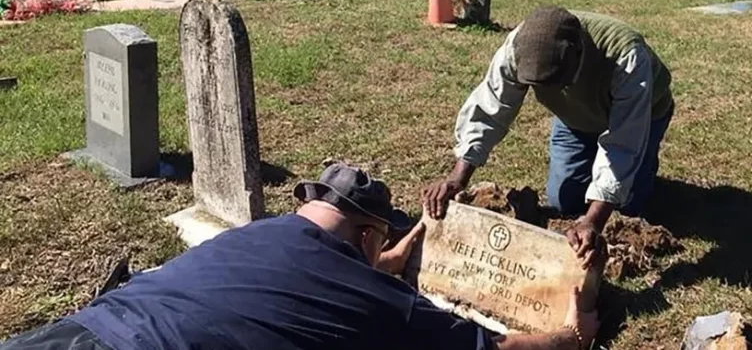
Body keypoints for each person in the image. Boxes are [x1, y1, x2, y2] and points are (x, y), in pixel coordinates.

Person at [2, 163, 598, 350]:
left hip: (76, 330)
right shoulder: (378, 302)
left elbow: (324, 273)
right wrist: (570, 336)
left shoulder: (253, 237)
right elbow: (495, 349)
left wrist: (415, 237)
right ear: (368, 235)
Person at [425, 7, 674, 268]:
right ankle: (608, 174)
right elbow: (491, 106)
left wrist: (595, 221)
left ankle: (644, 175)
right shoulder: (520, 46)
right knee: (564, 200)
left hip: (643, 115)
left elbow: (623, 142)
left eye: (558, 83)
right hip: (575, 120)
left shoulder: (625, 55)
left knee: (627, 209)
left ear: (579, 53)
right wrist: (457, 178)